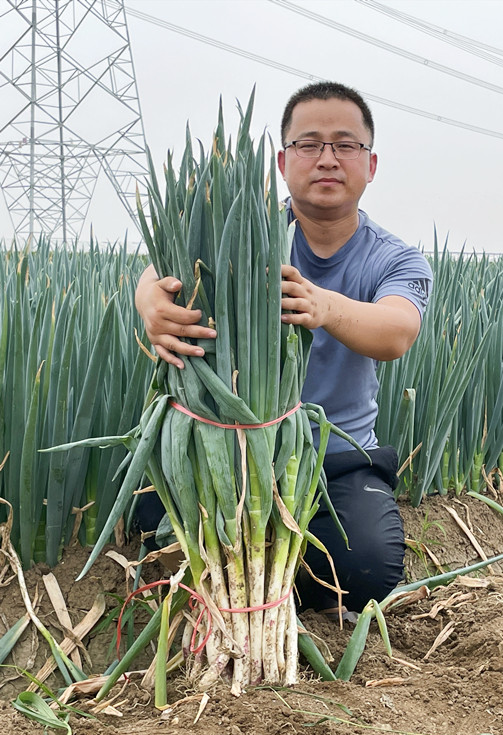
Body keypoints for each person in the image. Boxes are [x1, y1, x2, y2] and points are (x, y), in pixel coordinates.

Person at [134, 81, 433, 614]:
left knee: (367, 567)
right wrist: (149, 304)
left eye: (346, 145)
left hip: (331, 455)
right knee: (147, 529)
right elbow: (156, 276)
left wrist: (326, 307)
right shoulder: (237, 233)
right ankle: (253, 576)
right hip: (223, 446)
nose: (327, 159)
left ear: (371, 164)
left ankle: (264, 581)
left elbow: (396, 331)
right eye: (309, 144)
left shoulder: (395, 259)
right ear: (281, 159)